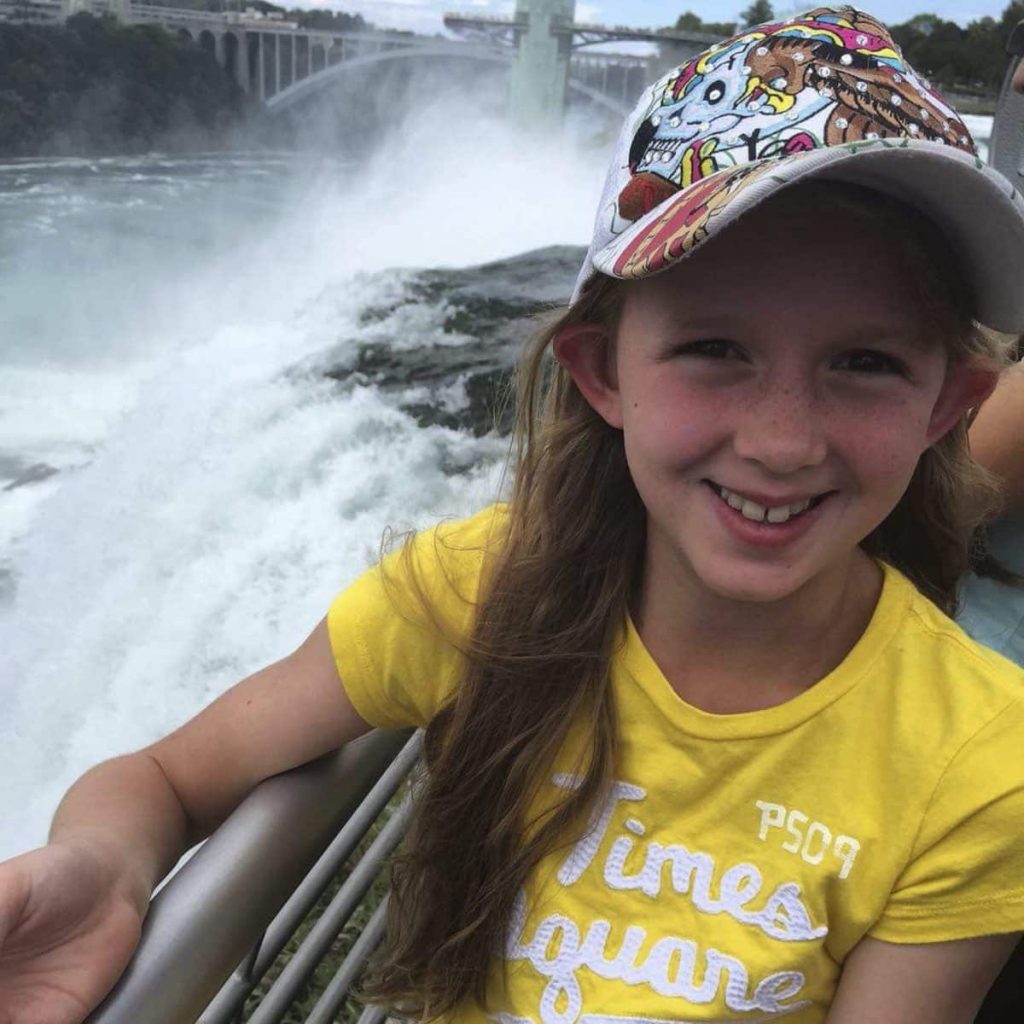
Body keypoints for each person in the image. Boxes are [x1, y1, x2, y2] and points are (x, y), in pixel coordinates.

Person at [3, 6, 1024, 1022]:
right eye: (715, 349)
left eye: (865, 363)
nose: (782, 441)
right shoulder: (472, 595)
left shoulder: (979, 761)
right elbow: (166, 777)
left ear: (949, 405)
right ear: (601, 373)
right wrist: (103, 866)